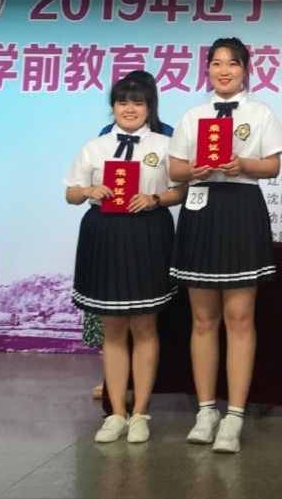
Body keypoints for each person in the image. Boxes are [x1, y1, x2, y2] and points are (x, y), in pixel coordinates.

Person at [170, 38, 282, 455]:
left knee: (239, 317)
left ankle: (234, 415)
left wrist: (243, 164)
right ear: (207, 70)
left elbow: (272, 166)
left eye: (232, 64)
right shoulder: (193, 116)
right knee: (203, 318)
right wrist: (194, 169)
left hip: (241, 206)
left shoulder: (260, 113)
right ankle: (206, 411)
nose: (224, 71)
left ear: (245, 70)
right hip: (201, 207)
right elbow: (174, 169)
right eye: (216, 63)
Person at [65, 71, 180, 445]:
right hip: (104, 233)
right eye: (122, 102)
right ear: (113, 106)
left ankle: (141, 413)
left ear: (149, 107)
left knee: (145, 327)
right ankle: (116, 413)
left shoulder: (165, 144)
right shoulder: (94, 147)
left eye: (138, 102)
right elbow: (70, 194)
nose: (130, 109)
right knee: (113, 330)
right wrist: (88, 190)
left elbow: (182, 189)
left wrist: (155, 198)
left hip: (148, 232)